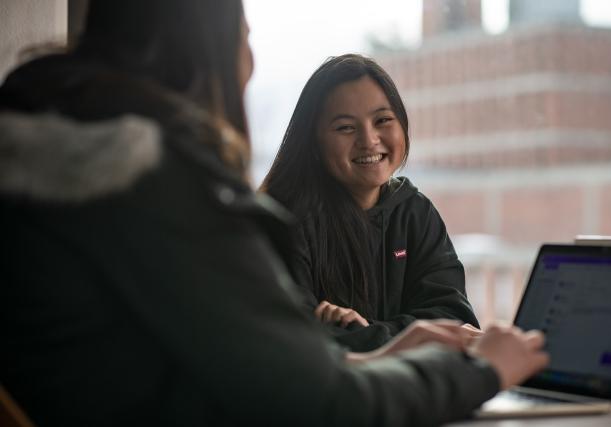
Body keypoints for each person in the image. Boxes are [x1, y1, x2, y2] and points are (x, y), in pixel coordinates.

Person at [0, 1, 548, 426]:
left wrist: (377, 352)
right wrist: (483, 371)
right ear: (204, 51)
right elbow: (321, 405)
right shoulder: (159, 188)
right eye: (243, 39)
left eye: (383, 120)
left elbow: (240, 371)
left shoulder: (51, 172)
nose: (249, 63)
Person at [262, 54, 479, 352]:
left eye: (383, 120)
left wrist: (364, 333)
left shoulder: (414, 213)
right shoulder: (284, 222)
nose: (369, 139)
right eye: (345, 127)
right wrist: (406, 337)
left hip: (408, 393)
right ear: (313, 141)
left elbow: (456, 323)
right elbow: (294, 344)